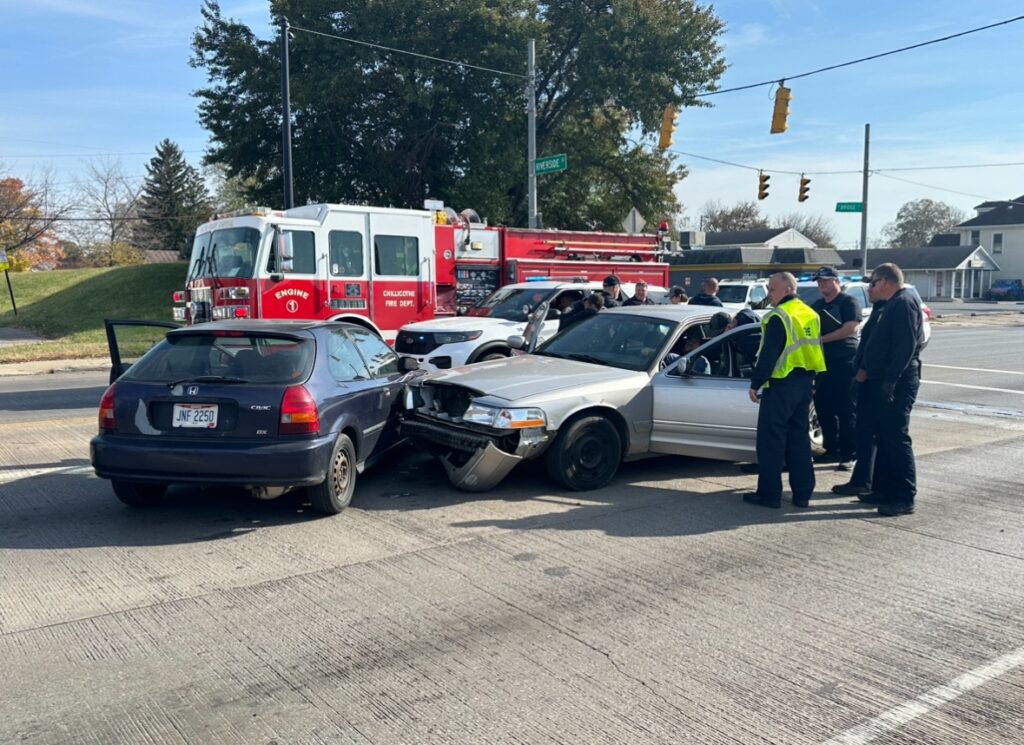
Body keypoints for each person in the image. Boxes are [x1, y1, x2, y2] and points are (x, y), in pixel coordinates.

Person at [742, 272, 826, 509]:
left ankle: (769, 495)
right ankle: (802, 494)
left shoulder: (779, 316)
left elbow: (769, 355)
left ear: (788, 289)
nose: (769, 295)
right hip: (804, 384)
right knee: (799, 440)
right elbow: (817, 348)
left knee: (771, 442)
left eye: (772, 290)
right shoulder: (810, 314)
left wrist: (756, 383)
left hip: (781, 385)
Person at [854, 263, 924, 517]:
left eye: (872, 283)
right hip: (881, 379)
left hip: (898, 381)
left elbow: (904, 347)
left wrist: (890, 382)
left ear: (884, 282)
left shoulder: (903, 303)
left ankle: (904, 497)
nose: (870, 288)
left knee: (896, 439)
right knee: (883, 437)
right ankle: (882, 490)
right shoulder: (889, 304)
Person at [832, 281, 887, 499]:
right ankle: (864, 480)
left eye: (873, 284)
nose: (869, 289)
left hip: (872, 380)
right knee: (866, 435)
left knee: (869, 434)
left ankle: (866, 481)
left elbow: (880, 347)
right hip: (865, 378)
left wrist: (865, 369)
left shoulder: (890, 309)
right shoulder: (879, 310)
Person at [809, 266, 862, 471]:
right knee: (824, 408)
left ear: (835, 281)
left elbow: (850, 328)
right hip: (823, 364)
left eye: (825, 281)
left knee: (846, 409)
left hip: (845, 362)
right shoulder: (818, 305)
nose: (821, 285)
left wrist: (821, 340)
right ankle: (831, 449)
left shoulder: (848, 302)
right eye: (819, 282)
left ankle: (850, 454)